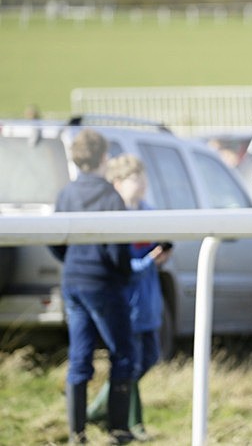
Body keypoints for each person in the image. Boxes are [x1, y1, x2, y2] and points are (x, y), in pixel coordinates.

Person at [50, 129, 135, 445]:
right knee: (123, 353)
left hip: (73, 281)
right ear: (103, 157)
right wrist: (125, 274)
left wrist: (72, 260)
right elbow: (118, 250)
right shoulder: (110, 197)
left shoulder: (65, 194)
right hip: (104, 284)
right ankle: (118, 429)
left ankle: (77, 433)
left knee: (79, 356)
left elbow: (54, 240)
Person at [86, 154, 171, 440]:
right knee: (130, 362)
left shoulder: (149, 211)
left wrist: (162, 255)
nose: (142, 183)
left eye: (143, 177)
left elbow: (158, 248)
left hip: (149, 300)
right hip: (125, 300)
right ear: (118, 182)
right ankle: (134, 424)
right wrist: (149, 261)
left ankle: (98, 409)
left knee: (149, 358)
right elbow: (120, 264)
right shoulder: (115, 215)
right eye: (136, 178)